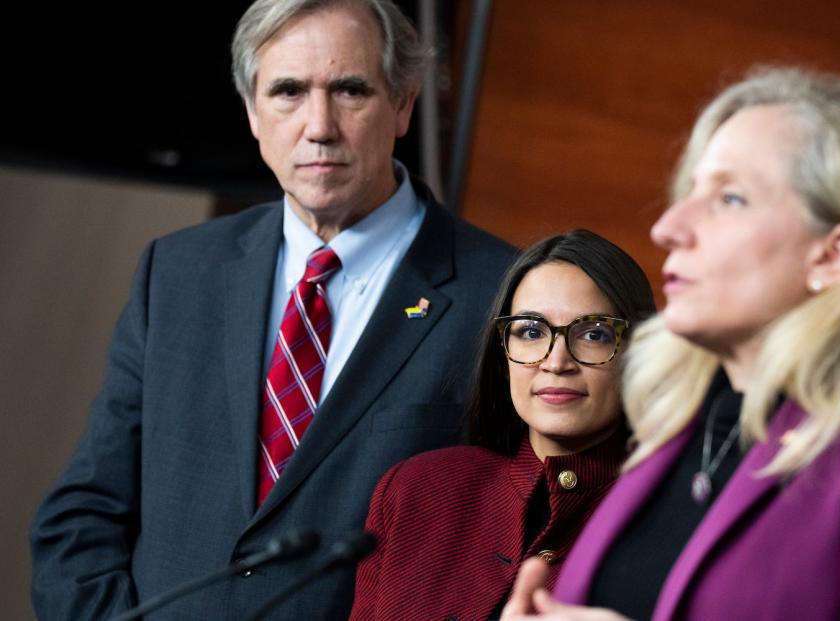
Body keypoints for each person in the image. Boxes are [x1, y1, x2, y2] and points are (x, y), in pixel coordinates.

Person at [28, 0, 515, 619]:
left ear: (403, 104)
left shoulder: (500, 293)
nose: (319, 126)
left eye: (350, 90)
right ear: (253, 113)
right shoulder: (177, 272)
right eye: (287, 91)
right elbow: (81, 517)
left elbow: (508, 555)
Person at [502, 68, 840, 620]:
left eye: (730, 198)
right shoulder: (681, 424)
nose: (669, 226)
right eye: (690, 191)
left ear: (833, 255)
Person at [350, 230, 656, 620]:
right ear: (503, 354)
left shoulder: (671, 516)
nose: (556, 361)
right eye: (530, 332)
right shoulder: (416, 489)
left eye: (593, 334)